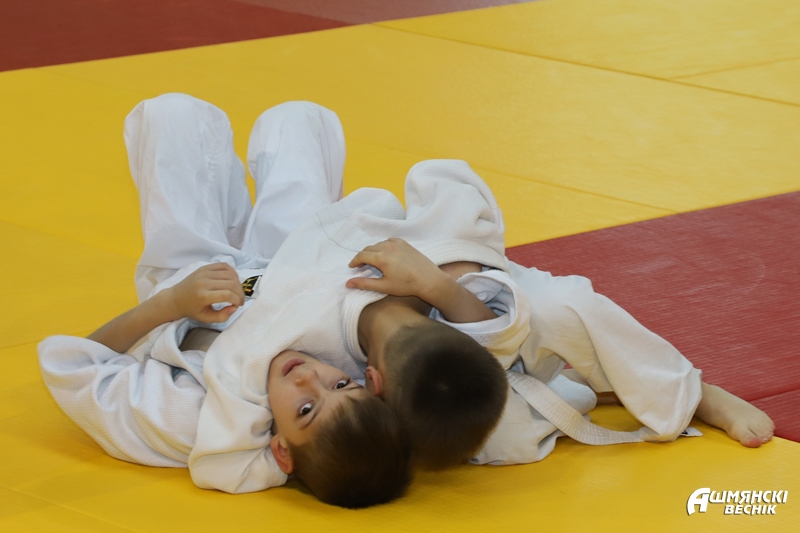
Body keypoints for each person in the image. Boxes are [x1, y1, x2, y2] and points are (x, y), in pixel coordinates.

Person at [38, 94, 412, 508]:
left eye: (306, 409)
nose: (309, 378)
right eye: (341, 385)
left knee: (171, 114)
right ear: (370, 385)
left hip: (189, 279)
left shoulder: (194, 417)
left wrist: (169, 304)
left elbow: (73, 366)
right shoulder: (363, 366)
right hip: (292, 261)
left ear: (281, 451)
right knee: (299, 119)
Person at [345, 236, 776, 465]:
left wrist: (450, 267)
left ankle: (691, 394)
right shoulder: (333, 333)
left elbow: (464, 204)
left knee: (564, 308)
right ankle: (584, 388)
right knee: (502, 443)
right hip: (433, 379)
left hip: (488, 299)